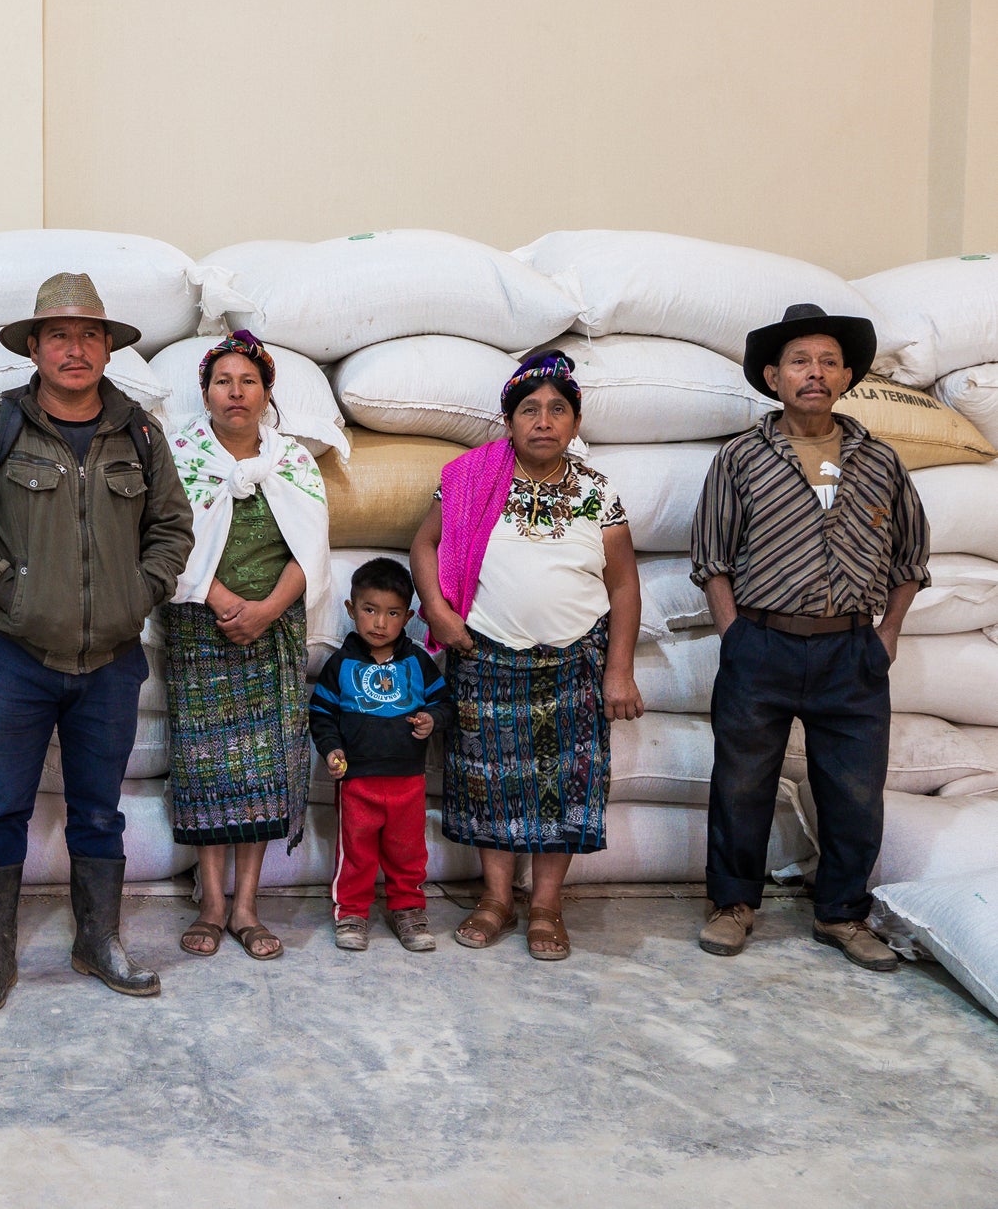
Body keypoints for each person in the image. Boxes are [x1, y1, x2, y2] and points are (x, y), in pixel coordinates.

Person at [0, 272, 194, 1015]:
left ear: (107, 347)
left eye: (88, 335)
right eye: (58, 336)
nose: (74, 350)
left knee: (98, 810)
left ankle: (97, 940)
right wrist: (15, 594)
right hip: (13, 658)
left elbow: (172, 529)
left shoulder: (138, 431)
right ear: (35, 347)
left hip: (110, 661)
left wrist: (136, 593)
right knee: (2, 805)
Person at [690, 304, 929, 972]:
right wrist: (733, 632)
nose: (815, 373)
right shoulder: (740, 458)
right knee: (741, 783)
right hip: (760, 644)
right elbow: (711, 555)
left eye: (828, 361)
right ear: (773, 376)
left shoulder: (880, 461)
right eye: (800, 361)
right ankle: (733, 905)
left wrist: (888, 633)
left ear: (847, 374)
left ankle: (842, 913)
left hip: (852, 651)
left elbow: (912, 555)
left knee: (855, 790)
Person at [410, 348, 644, 961]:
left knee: (563, 787)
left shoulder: (597, 492)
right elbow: (425, 544)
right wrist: (437, 612)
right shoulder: (470, 480)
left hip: (574, 664)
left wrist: (619, 669)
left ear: (574, 424)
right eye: (530, 410)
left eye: (557, 410)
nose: (543, 420)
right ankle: (495, 901)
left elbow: (622, 584)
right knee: (489, 783)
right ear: (509, 420)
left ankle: (545, 906)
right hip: (485, 655)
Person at [161, 331, 331, 961]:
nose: (236, 393)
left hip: (273, 627)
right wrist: (220, 596)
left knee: (264, 764)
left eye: (248, 382)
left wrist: (265, 611)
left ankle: (247, 908)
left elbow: (309, 549)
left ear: (267, 393)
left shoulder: (293, 461)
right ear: (205, 392)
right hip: (200, 624)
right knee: (207, 765)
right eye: (223, 382)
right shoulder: (179, 456)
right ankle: (209, 905)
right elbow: (165, 539)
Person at [309, 558, 453, 953]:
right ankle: (352, 912)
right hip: (357, 780)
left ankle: (408, 909)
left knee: (408, 851)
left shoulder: (417, 663)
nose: (379, 623)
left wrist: (431, 719)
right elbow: (321, 715)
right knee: (355, 852)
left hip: (408, 779)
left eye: (392, 613)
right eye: (369, 610)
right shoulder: (340, 666)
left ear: (407, 616)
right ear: (351, 610)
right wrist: (332, 749)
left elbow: (445, 703)